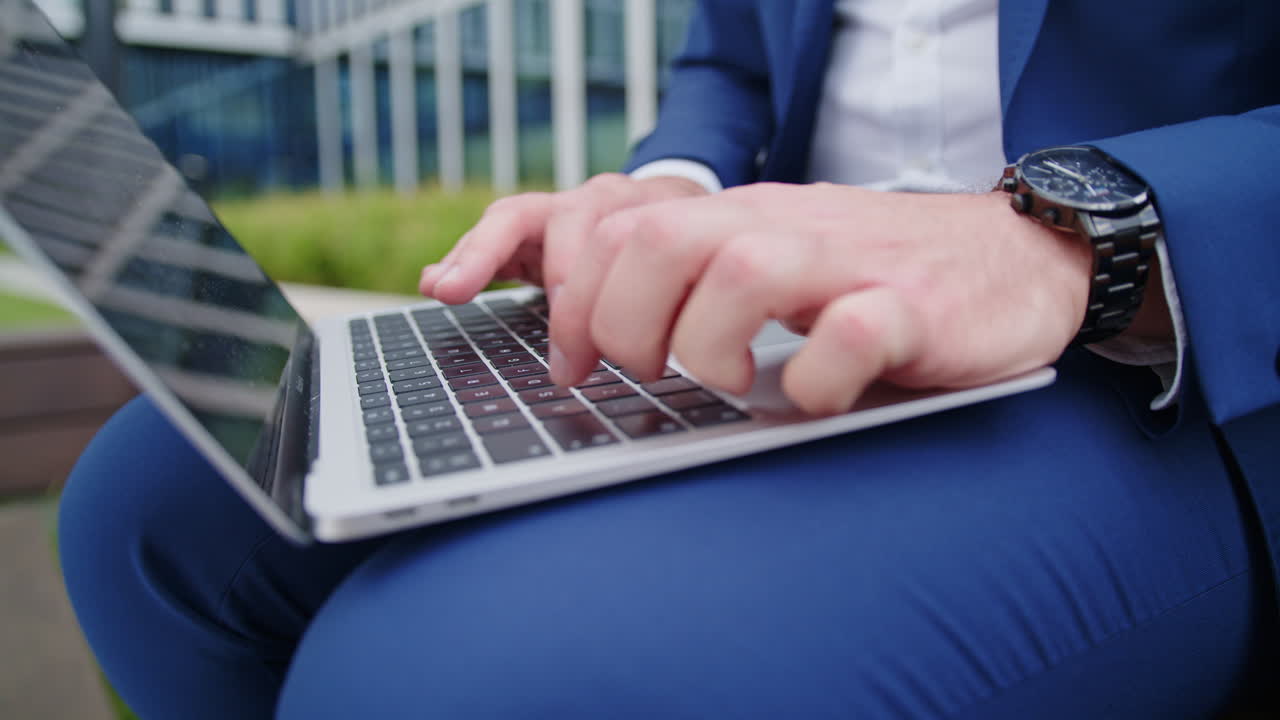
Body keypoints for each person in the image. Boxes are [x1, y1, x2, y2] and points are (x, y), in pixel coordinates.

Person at [60, 1, 1279, 718]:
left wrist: (1081, 235)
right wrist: (659, 197)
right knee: (156, 504)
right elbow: (728, 57)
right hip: (769, 299)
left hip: (1171, 348)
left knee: (431, 678)